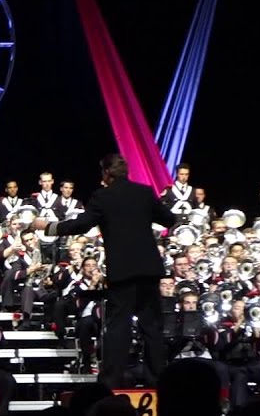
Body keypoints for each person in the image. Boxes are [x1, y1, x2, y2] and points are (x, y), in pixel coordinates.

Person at [31, 153, 172, 384]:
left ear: (107, 173)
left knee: (119, 326)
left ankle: (111, 382)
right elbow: (168, 219)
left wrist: (48, 226)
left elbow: (81, 224)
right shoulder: (145, 192)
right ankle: (157, 381)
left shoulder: (103, 196)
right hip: (149, 268)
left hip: (123, 271)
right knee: (152, 327)